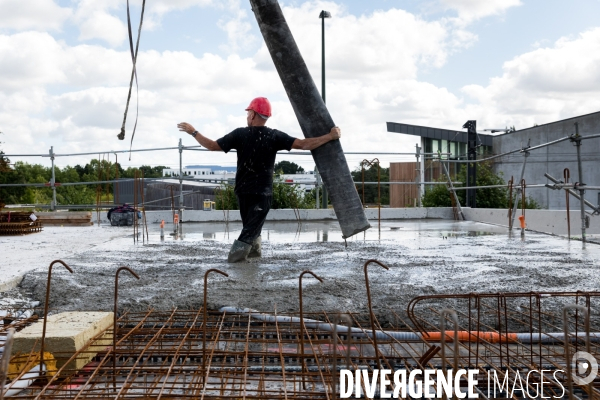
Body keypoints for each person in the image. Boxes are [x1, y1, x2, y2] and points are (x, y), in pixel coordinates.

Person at [177, 97, 341, 263]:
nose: (247, 116)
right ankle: (237, 262)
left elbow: (212, 145)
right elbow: (304, 144)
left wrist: (194, 132)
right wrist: (329, 136)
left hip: (243, 192)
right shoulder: (274, 136)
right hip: (262, 194)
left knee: (250, 229)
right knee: (250, 231)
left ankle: (247, 261)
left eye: (248, 113)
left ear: (253, 115)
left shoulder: (239, 134)